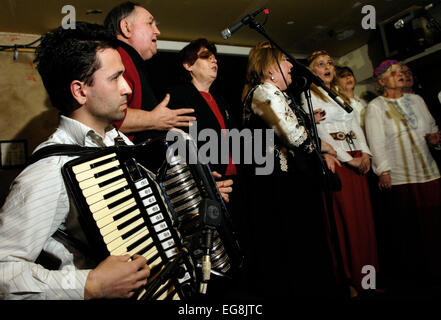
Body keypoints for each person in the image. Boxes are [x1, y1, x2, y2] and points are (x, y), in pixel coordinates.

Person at [0, 23, 151, 300]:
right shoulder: (50, 169)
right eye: (115, 78)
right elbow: (3, 271)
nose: (127, 88)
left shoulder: (117, 141)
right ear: (80, 91)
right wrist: (91, 285)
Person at [240, 41, 340, 299]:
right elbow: (293, 135)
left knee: (300, 240)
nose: (291, 66)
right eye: (285, 61)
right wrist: (324, 150)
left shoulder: (277, 93)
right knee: (289, 241)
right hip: (276, 181)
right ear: (271, 68)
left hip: (287, 178)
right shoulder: (264, 91)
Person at [302, 50, 379, 297]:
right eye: (321, 64)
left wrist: (365, 154)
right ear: (312, 70)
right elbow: (320, 134)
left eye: (330, 64)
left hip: (357, 156)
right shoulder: (308, 96)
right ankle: (349, 279)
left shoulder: (339, 94)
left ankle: (369, 278)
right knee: (345, 221)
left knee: (363, 220)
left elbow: (354, 124)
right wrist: (350, 161)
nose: (327, 67)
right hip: (339, 162)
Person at [365, 59, 441, 291]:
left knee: (435, 225)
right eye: (393, 73)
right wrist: (383, 171)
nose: (400, 75)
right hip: (401, 176)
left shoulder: (416, 100)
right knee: (411, 229)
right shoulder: (375, 107)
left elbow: (431, 127)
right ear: (381, 81)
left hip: (428, 171)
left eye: (400, 71)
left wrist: (434, 139)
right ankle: (418, 278)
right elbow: (376, 142)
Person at [104, 2, 196, 143]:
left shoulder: (131, 60)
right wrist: (154, 119)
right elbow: (107, 116)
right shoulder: (118, 57)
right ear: (126, 27)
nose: (157, 31)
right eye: (150, 23)